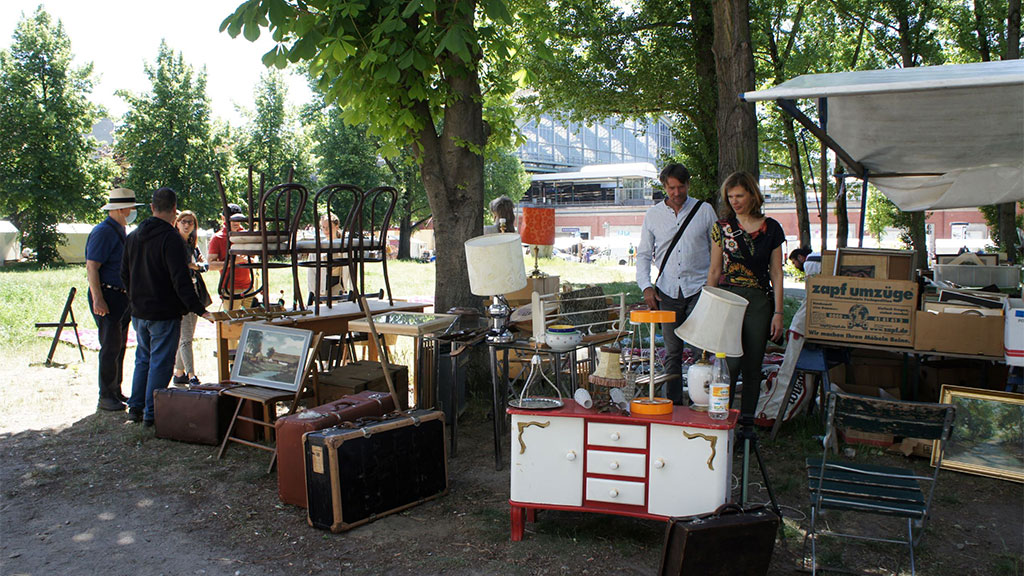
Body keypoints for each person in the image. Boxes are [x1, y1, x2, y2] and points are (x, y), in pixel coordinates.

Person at [123, 188, 211, 426]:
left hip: (140, 311)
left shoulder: (132, 236)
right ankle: (152, 413)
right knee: (160, 362)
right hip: (162, 312)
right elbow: (180, 279)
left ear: (152, 207)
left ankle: (136, 408)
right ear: (174, 210)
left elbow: (124, 274)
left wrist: (134, 299)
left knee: (143, 358)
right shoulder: (170, 238)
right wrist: (199, 309)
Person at [635, 163, 717, 404]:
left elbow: (716, 250)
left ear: (688, 185)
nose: (677, 193)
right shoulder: (653, 215)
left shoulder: (704, 211)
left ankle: (700, 402)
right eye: (671, 188)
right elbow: (643, 254)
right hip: (667, 291)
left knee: (700, 348)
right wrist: (645, 286)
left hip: (699, 289)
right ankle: (673, 404)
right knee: (672, 351)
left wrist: (713, 287)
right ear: (664, 187)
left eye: (681, 187)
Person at [707, 171, 786, 418]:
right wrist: (708, 309)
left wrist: (779, 313)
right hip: (728, 299)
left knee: (753, 367)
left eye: (740, 195)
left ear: (753, 195)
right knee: (727, 366)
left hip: (759, 302)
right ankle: (722, 420)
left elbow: (777, 272)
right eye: (730, 197)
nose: (735, 201)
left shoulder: (772, 228)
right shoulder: (721, 228)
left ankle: (748, 427)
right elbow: (714, 270)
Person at [85, 188, 142, 412]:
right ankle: (105, 395)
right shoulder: (104, 232)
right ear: (121, 209)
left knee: (119, 346)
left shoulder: (119, 230)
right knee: (109, 347)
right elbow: (92, 267)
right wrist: (98, 299)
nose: (132, 212)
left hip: (121, 296)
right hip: (107, 294)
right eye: (130, 208)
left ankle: (115, 390)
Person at [172, 210, 210, 386]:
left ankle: (179, 373)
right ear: (177, 222)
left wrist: (199, 265)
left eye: (191, 222)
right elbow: (182, 265)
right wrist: (195, 266)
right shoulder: (174, 242)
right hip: (180, 294)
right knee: (186, 338)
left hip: (194, 290)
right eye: (183, 221)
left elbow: (202, 264)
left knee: (186, 336)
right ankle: (191, 375)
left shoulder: (191, 244)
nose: (187, 225)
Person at [207, 203, 253, 310]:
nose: (236, 222)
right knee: (233, 323)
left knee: (251, 322)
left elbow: (254, 259)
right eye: (232, 219)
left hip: (249, 287)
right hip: (230, 289)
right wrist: (233, 262)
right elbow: (210, 265)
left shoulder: (247, 235)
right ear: (223, 218)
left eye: (238, 219)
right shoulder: (217, 238)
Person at [306, 213, 350, 305]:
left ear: (336, 226)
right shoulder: (317, 248)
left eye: (329, 227)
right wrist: (312, 293)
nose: (326, 230)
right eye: (323, 227)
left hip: (338, 286)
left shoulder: (345, 248)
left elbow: (350, 272)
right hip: (323, 287)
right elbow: (311, 273)